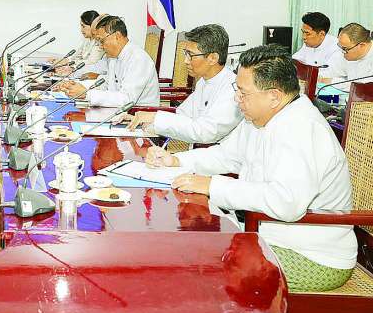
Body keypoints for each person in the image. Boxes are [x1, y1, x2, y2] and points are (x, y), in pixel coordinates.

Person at [145, 45, 356, 292]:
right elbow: (227, 155)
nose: (237, 99)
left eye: (243, 93)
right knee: (190, 248)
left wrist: (213, 186)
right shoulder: (262, 116)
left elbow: (286, 203)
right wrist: (177, 160)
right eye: (236, 89)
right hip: (265, 232)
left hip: (311, 255)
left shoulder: (301, 128)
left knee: (205, 269)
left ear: (274, 96)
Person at [127, 24, 242, 144]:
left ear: (213, 58)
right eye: (185, 53)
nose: (186, 61)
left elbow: (205, 132)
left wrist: (156, 118)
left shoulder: (233, 89)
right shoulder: (203, 81)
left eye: (191, 55)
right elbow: (182, 115)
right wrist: (145, 120)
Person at [58, 15, 160, 107]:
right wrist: (78, 88)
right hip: (117, 111)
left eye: (101, 41)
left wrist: (87, 94)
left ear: (117, 36)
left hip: (138, 115)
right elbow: (107, 85)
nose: (101, 46)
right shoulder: (113, 57)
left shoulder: (138, 59)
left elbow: (127, 99)